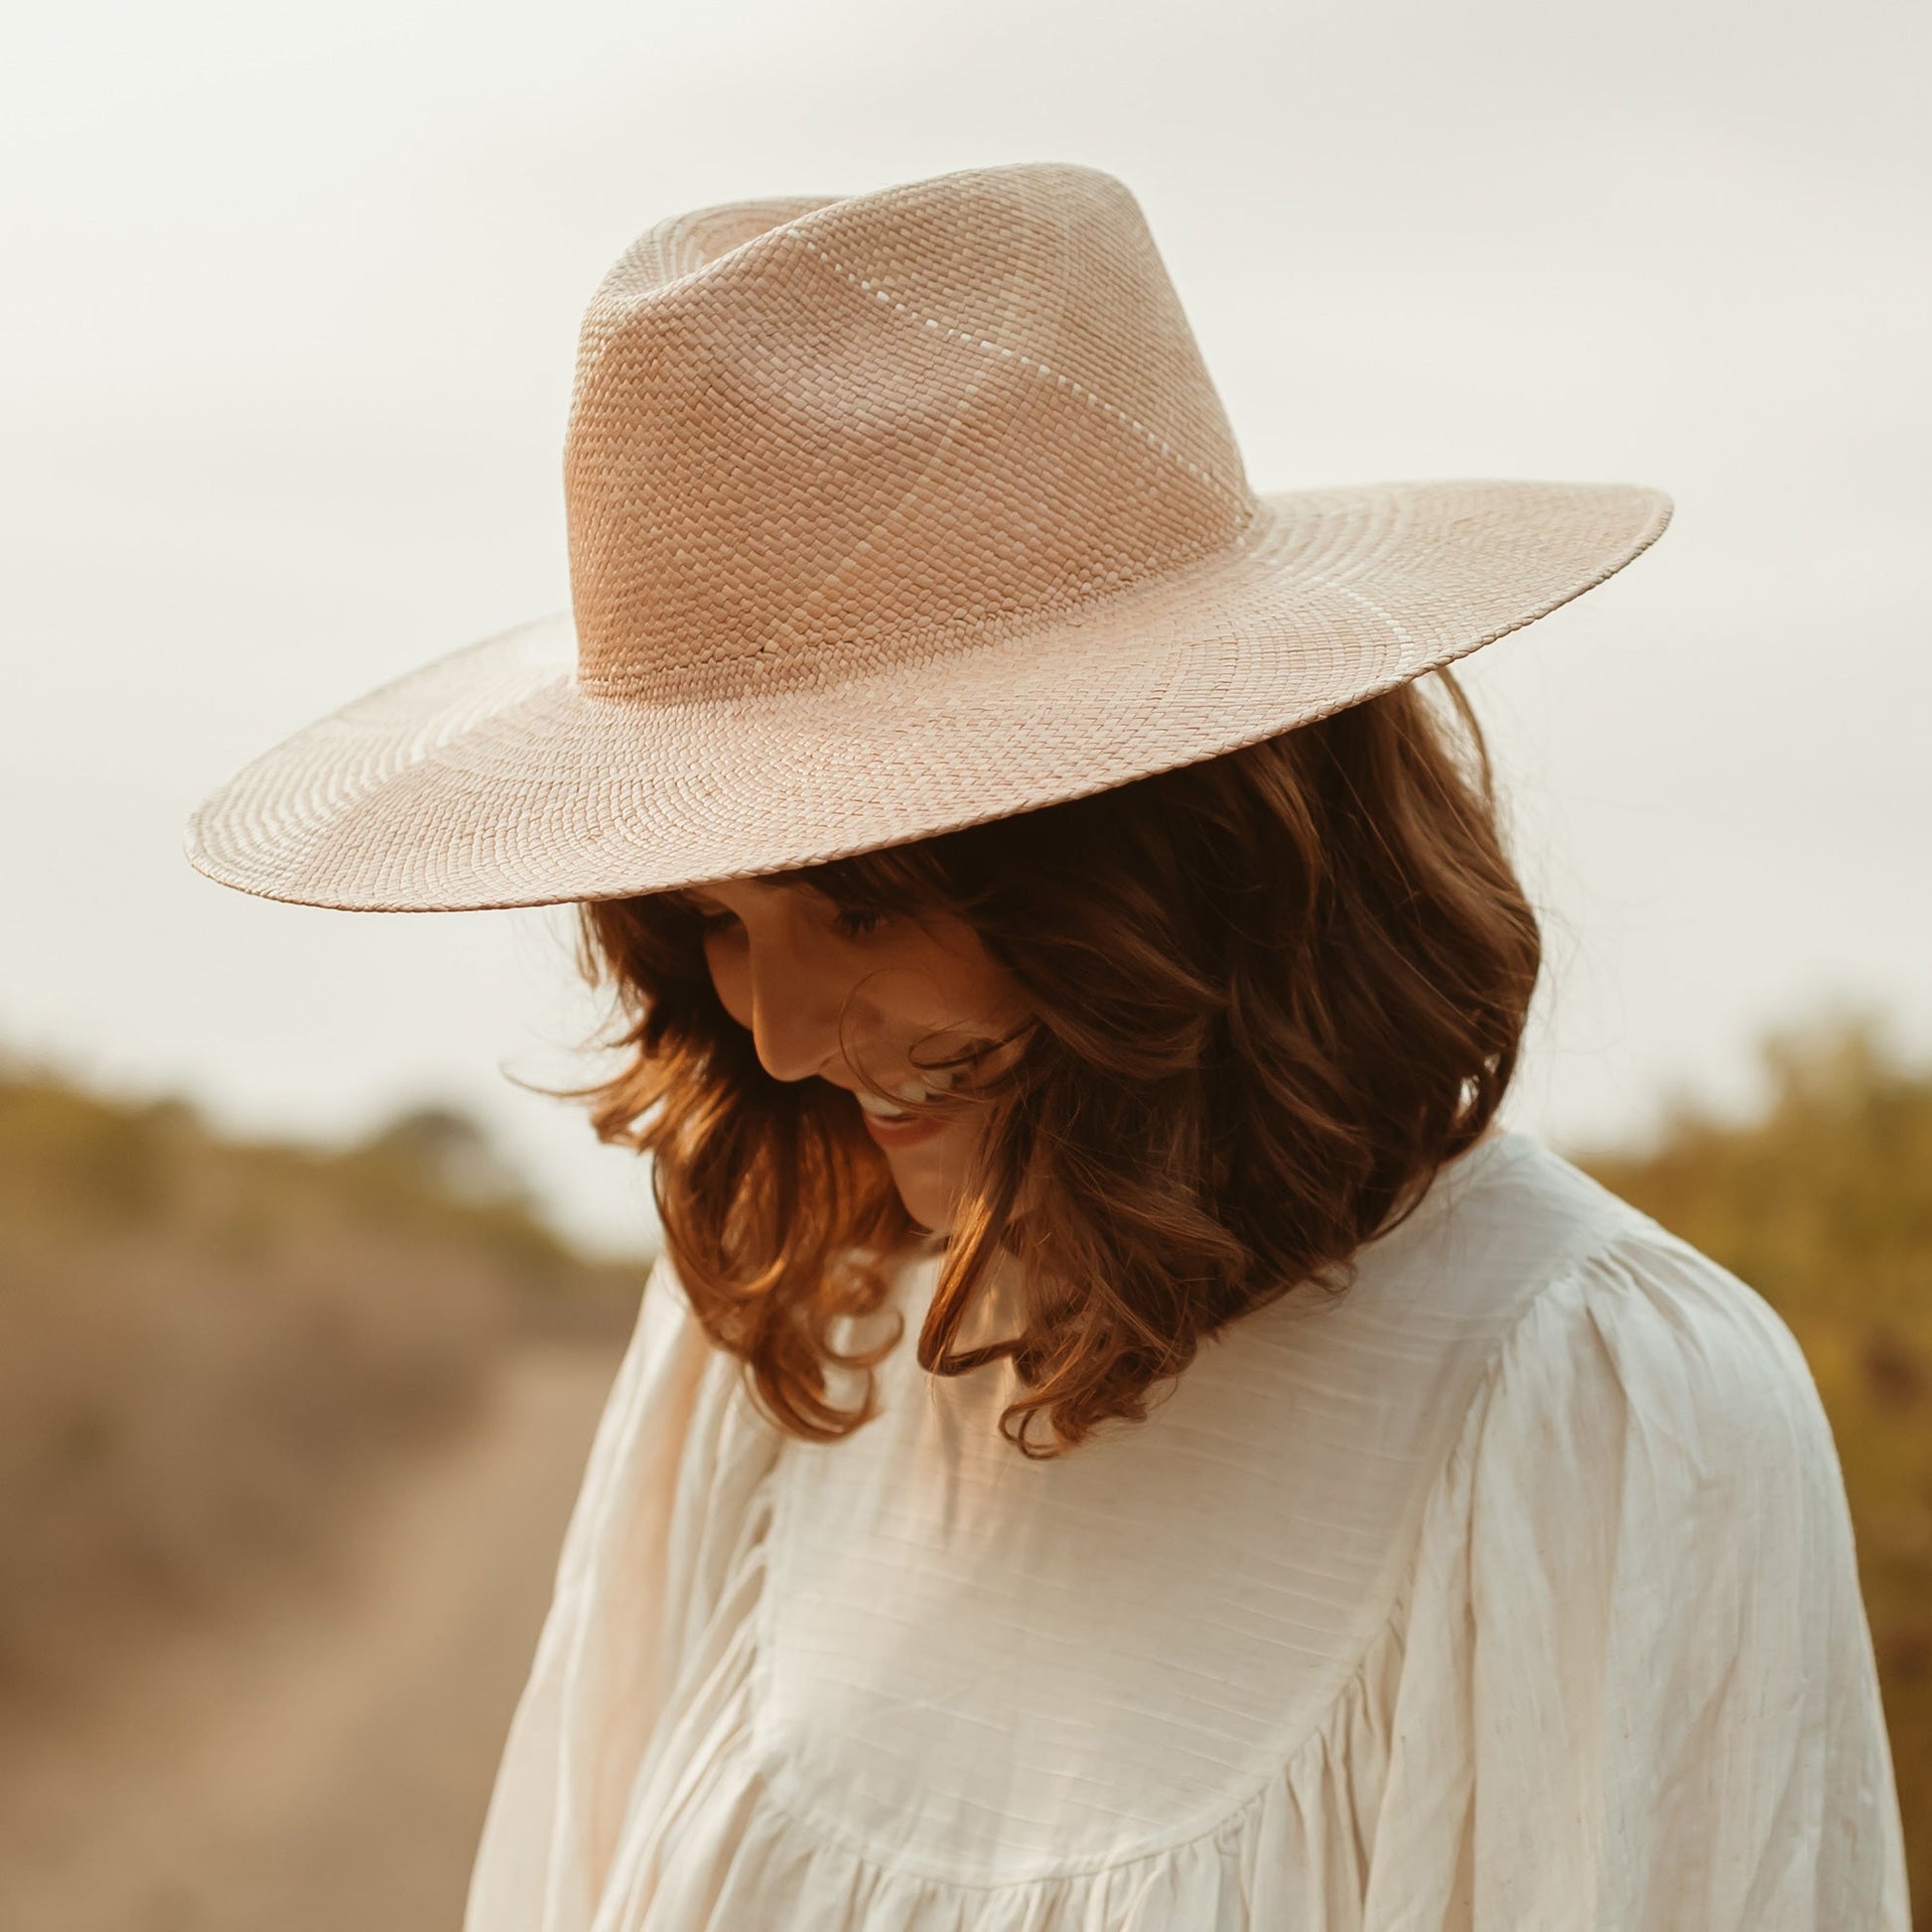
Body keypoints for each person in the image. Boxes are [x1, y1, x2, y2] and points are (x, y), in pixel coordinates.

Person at [186, 162, 1909, 1929]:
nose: (776, 1035)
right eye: (713, 920)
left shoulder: (1591, 1407)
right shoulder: (792, 1345)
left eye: (857, 900)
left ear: (1185, 849)